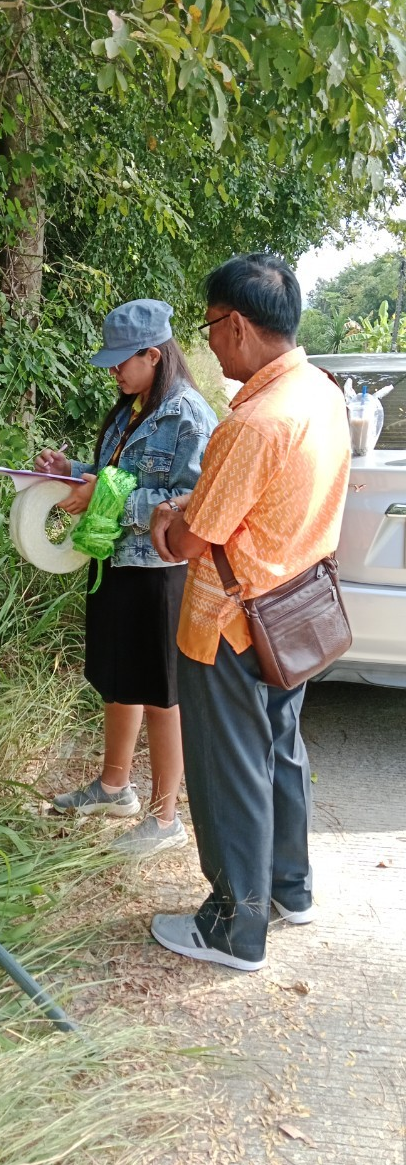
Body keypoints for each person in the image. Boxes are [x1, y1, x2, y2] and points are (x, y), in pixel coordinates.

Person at [148, 254, 351, 970]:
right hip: (297, 612)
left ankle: (235, 929)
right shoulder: (321, 394)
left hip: (233, 624)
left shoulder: (255, 424)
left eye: (208, 328)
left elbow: (192, 539)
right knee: (279, 750)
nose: (208, 344)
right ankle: (289, 889)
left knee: (228, 768)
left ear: (236, 324)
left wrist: (165, 521)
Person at [36, 298, 217, 857]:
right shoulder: (129, 406)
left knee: (163, 695)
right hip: (115, 562)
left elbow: (189, 506)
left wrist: (107, 499)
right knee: (119, 679)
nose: (115, 372)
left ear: (154, 354)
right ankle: (114, 788)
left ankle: (165, 820)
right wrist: (74, 474)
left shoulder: (189, 416)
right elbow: (116, 475)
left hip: (161, 571)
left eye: (123, 362)